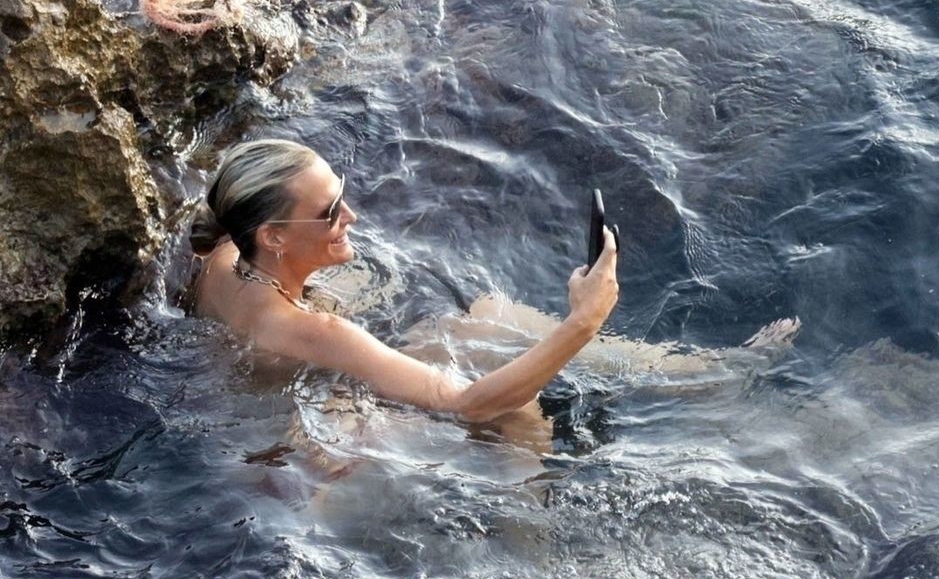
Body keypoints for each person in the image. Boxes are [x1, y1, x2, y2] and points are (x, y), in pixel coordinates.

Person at [187, 138, 619, 424]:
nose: (351, 216)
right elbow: (466, 405)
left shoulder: (224, 254)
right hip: (317, 464)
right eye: (330, 212)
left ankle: (652, 369)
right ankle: (533, 533)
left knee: (480, 319)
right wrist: (585, 320)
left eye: (341, 195)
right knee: (519, 413)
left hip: (281, 414)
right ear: (273, 237)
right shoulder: (315, 331)